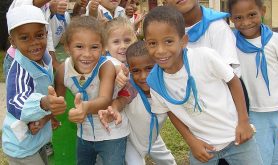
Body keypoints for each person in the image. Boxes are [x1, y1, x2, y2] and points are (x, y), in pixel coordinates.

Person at [144, 6, 263, 164]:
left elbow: (233, 81)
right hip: (203, 147)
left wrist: (243, 122)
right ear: (146, 45)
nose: (160, 50)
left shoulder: (204, 57)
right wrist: (191, 142)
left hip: (237, 137)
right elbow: (169, 110)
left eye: (168, 41)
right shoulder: (155, 81)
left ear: (184, 41)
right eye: (153, 43)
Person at [54, 16, 129, 165]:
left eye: (94, 47)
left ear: (102, 48)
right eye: (79, 46)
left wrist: (86, 107)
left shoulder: (105, 67)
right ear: (67, 48)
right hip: (84, 134)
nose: (87, 54)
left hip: (112, 132)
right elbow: (58, 101)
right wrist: (52, 112)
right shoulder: (63, 70)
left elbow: (105, 99)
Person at [228, 0, 278, 164]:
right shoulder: (230, 43)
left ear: (263, 11)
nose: (246, 22)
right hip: (251, 115)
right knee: (258, 160)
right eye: (238, 17)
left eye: (252, 15)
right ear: (231, 19)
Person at [2, 5, 66, 164]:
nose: (34, 43)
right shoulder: (19, 71)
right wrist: (44, 103)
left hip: (35, 139)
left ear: (46, 33)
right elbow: (18, 104)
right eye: (24, 38)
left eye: (39, 35)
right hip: (20, 145)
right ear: (13, 41)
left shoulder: (44, 59)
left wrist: (47, 118)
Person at [99, 41, 176, 165]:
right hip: (130, 139)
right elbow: (120, 101)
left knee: (169, 162)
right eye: (136, 71)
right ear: (129, 70)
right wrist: (113, 109)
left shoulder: (167, 87)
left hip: (152, 137)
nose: (143, 76)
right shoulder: (130, 87)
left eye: (149, 68)